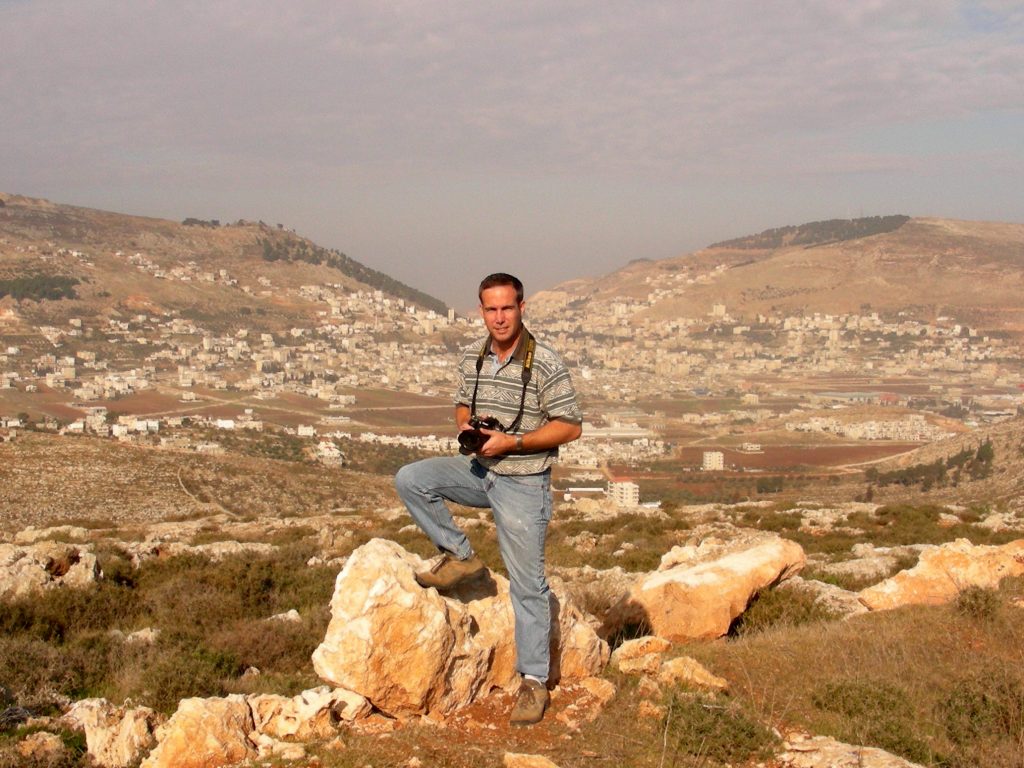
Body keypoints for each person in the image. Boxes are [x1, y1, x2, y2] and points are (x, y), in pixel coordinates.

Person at [394, 272, 582, 726]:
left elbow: (570, 426)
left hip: (522, 480)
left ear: (521, 308)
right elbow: (462, 404)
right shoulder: (473, 357)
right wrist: (468, 429)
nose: (499, 317)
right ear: (480, 311)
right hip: (481, 469)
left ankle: (534, 681)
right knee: (411, 478)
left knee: (527, 584)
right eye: (491, 309)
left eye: (507, 308)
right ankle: (460, 555)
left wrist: (512, 443)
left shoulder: (544, 362)